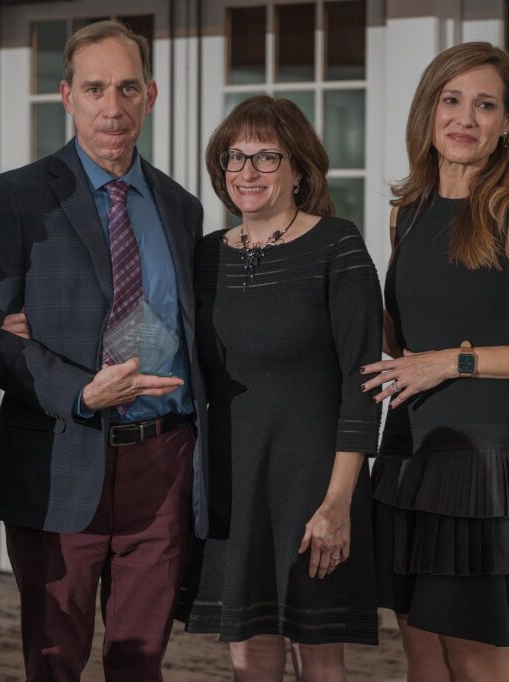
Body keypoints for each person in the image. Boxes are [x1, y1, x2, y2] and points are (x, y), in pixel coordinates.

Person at [0, 20, 206, 682]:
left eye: (128, 88)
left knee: (141, 660)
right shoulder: (18, 197)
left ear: (150, 96)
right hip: (62, 455)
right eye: (95, 88)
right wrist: (78, 390)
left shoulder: (181, 208)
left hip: (164, 459)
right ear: (67, 96)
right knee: (55, 659)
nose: (112, 107)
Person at [361, 42, 509, 682]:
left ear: (508, 122)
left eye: (485, 105)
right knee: (419, 648)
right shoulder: (407, 212)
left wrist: (453, 363)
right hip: (410, 449)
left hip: (481, 463)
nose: (465, 118)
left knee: (473, 655)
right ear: (429, 110)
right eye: (452, 100)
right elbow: (403, 339)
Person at [174, 95, 383, 681]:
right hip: (232, 480)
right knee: (249, 651)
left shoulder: (337, 245)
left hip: (315, 484)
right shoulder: (205, 256)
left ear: (299, 170)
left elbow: (362, 383)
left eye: (267, 157)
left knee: (317, 656)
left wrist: (338, 502)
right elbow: (157, 332)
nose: (247, 172)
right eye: (234, 157)